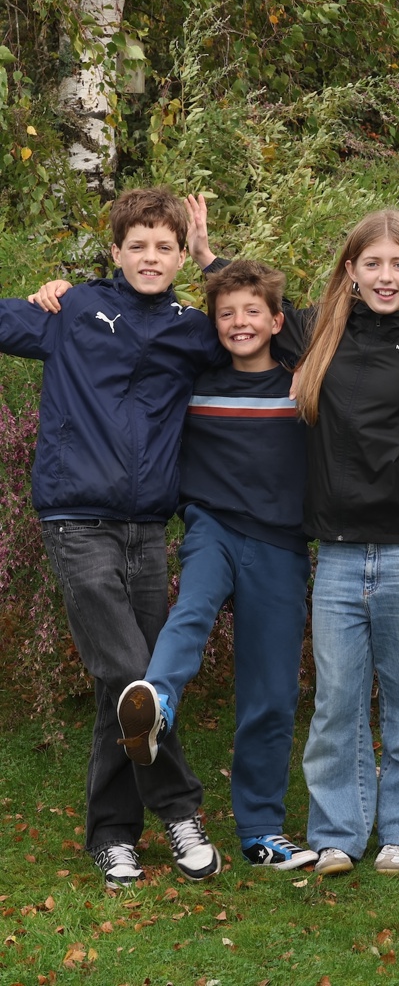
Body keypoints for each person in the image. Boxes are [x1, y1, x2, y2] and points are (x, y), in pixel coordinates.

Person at [2, 188, 225, 888]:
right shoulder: (70, 312)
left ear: (181, 254)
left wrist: (217, 259)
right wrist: (47, 292)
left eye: (167, 246)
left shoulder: (195, 327)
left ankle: (111, 836)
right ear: (117, 252)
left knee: (121, 690)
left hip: (148, 529)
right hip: (77, 520)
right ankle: (181, 810)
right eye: (139, 246)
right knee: (137, 678)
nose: (152, 257)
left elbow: (273, 328)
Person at [112, 259, 317, 871]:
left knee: (272, 693)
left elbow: (324, 322)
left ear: (277, 321)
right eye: (225, 313)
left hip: (281, 545)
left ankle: (260, 830)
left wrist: (212, 261)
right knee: (192, 611)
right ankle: (156, 704)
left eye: (253, 311)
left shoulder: (302, 381)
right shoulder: (194, 379)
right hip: (213, 527)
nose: (238, 322)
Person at [287, 209, 399, 877]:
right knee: (336, 702)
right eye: (373, 264)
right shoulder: (316, 332)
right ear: (351, 272)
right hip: (335, 551)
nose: (385, 276)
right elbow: (238, 314)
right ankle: (338, 833)